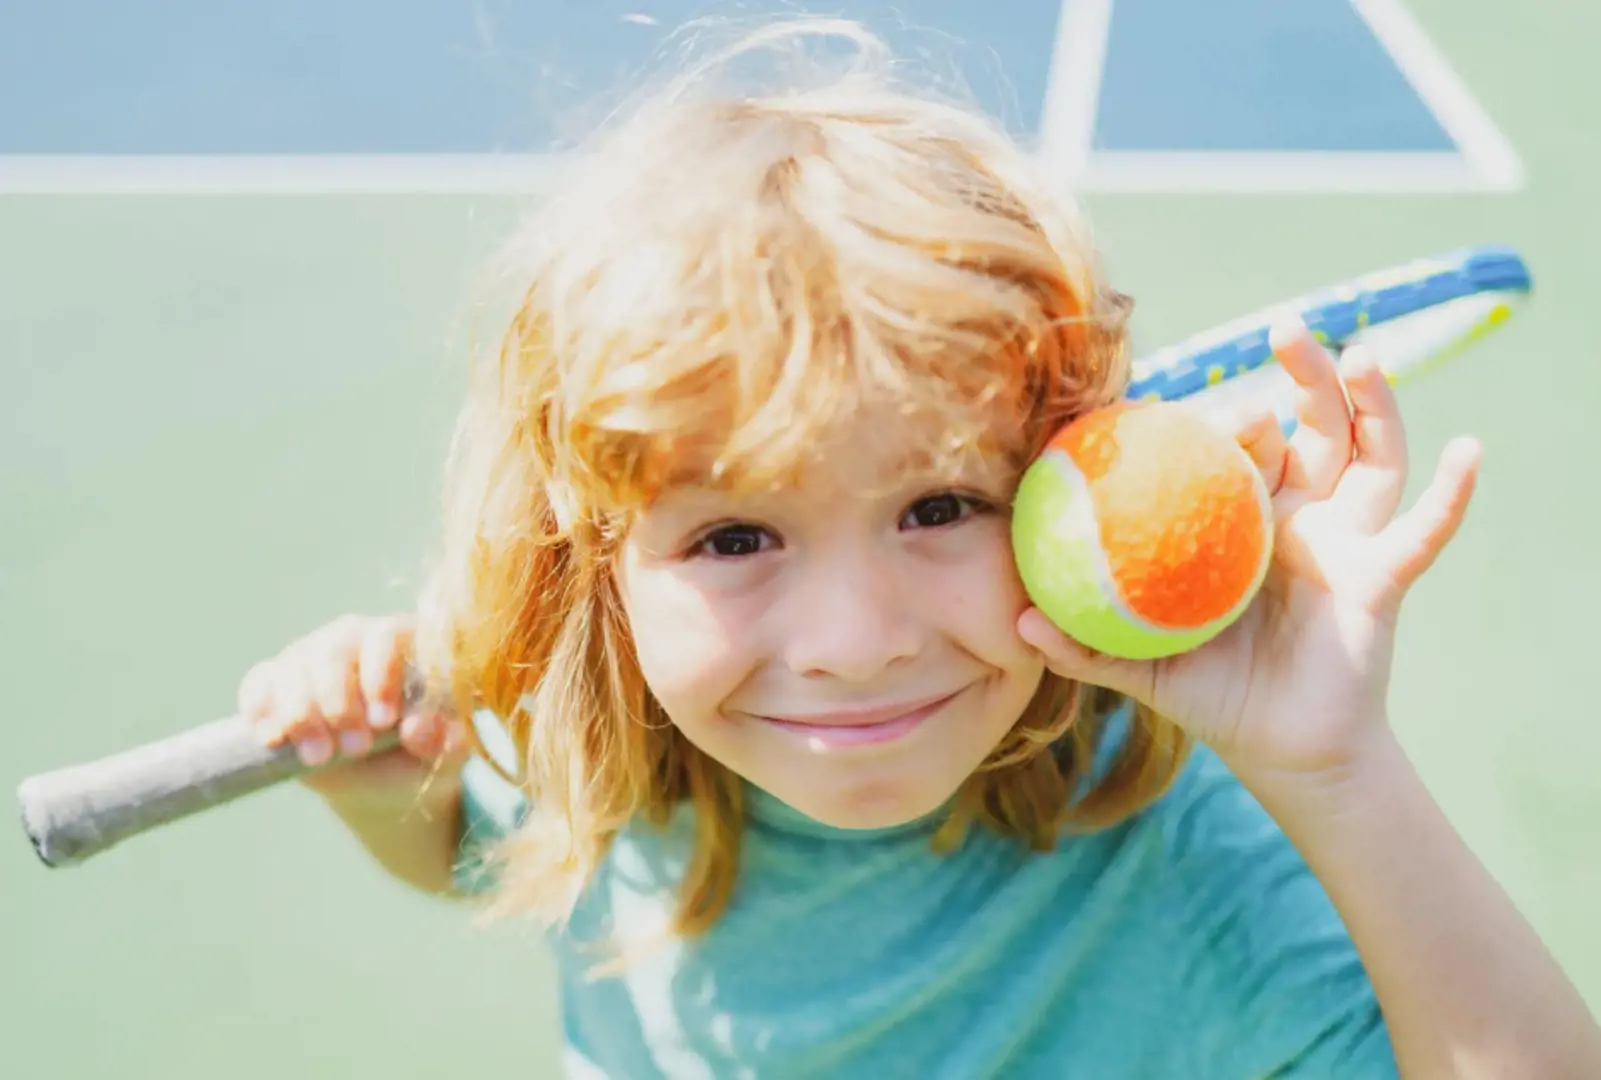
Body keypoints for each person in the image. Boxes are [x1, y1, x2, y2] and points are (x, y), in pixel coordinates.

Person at [237, 18, 1601, 1078]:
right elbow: (487, 852)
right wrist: (377, 790)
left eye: (940, 507)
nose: (855, 643)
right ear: (600, 570)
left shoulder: (1161, 856)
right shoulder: (626, 760)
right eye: (733, 535)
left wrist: (1339, 769)